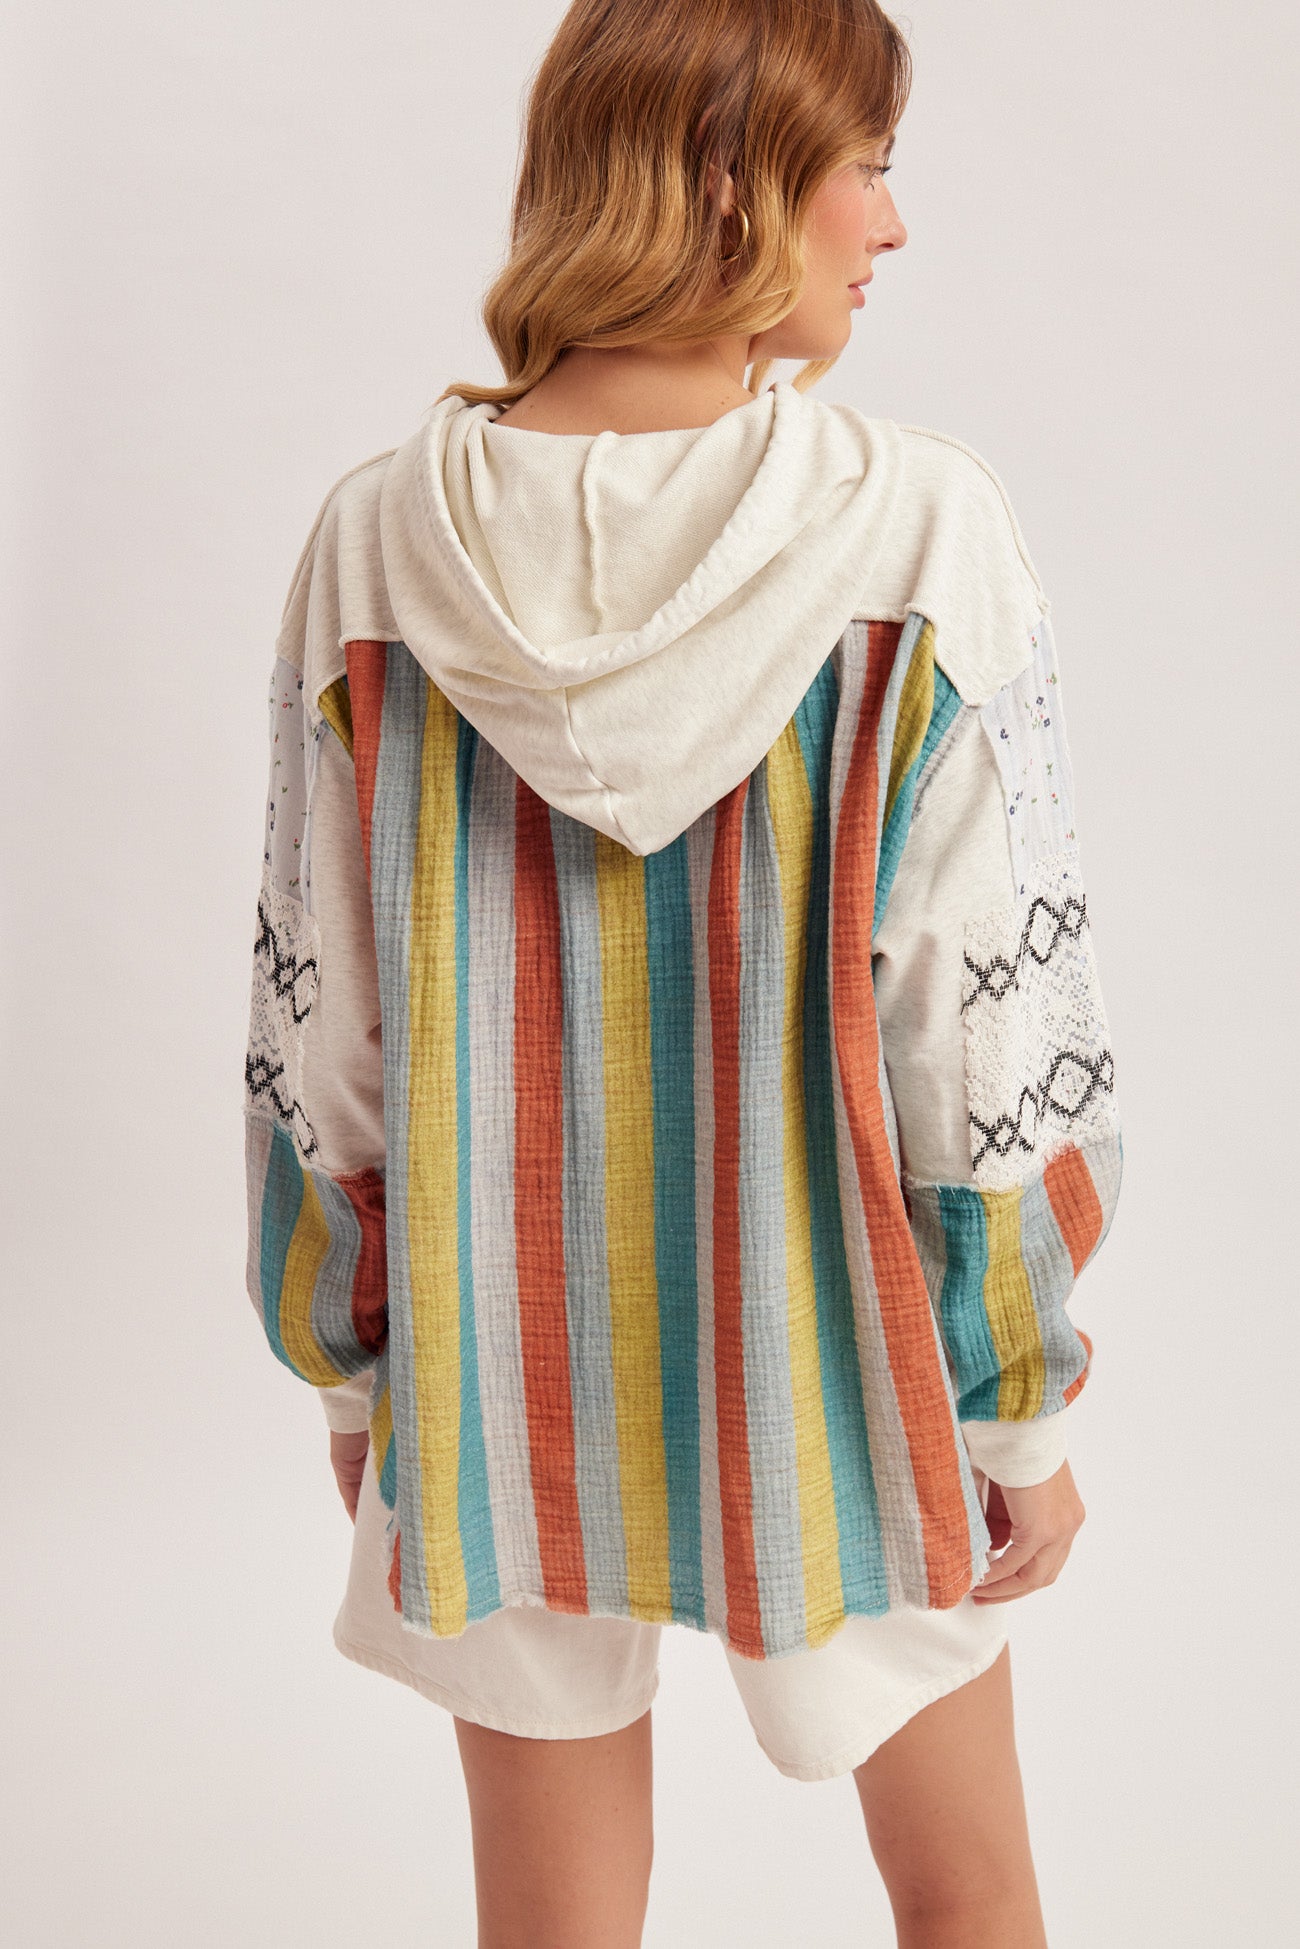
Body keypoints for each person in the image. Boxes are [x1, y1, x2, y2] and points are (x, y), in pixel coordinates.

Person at [241, 2, 1123, 1942]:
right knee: (969, 1900)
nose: (890, 224)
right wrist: (1018, 1411)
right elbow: (979, 1043)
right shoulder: (915, 529)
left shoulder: (375, 546)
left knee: (550, 1927)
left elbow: (324, 1041)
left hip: (487, 1364)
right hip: (848, 1370)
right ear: (728, 182)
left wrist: (355, 1371)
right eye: (864, 164)